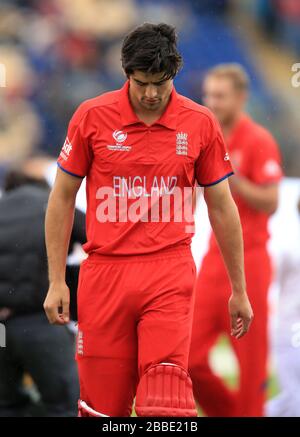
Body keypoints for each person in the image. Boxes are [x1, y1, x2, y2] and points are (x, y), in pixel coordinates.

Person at [43, 23, 253, 418]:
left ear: (174, 74)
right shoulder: (91, 116)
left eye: (161, 82)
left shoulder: (200, 123)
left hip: (168, 272)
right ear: (126, 73)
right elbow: (62, 198)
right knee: (102, 411)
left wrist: (238, 288)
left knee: (166, 402)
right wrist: (56, 280)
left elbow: (222, 207)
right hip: (104, 274)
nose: (152, 93)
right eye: (142, 82)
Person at [189, 63, 283, 417]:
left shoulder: (258, 140)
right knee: (187, 356)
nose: (211, 103)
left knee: (251, 363)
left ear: (241, 98)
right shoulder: (204, 137)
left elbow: (272, 202)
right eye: (208, 95)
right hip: (214, 261)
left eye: (220, 96)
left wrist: (232, 179)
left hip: (252, 260)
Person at [0, 169, 85, 416]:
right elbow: (96, 238)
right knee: (65, 406)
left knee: (6, 406)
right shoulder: (52, 204)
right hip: (42, 323)